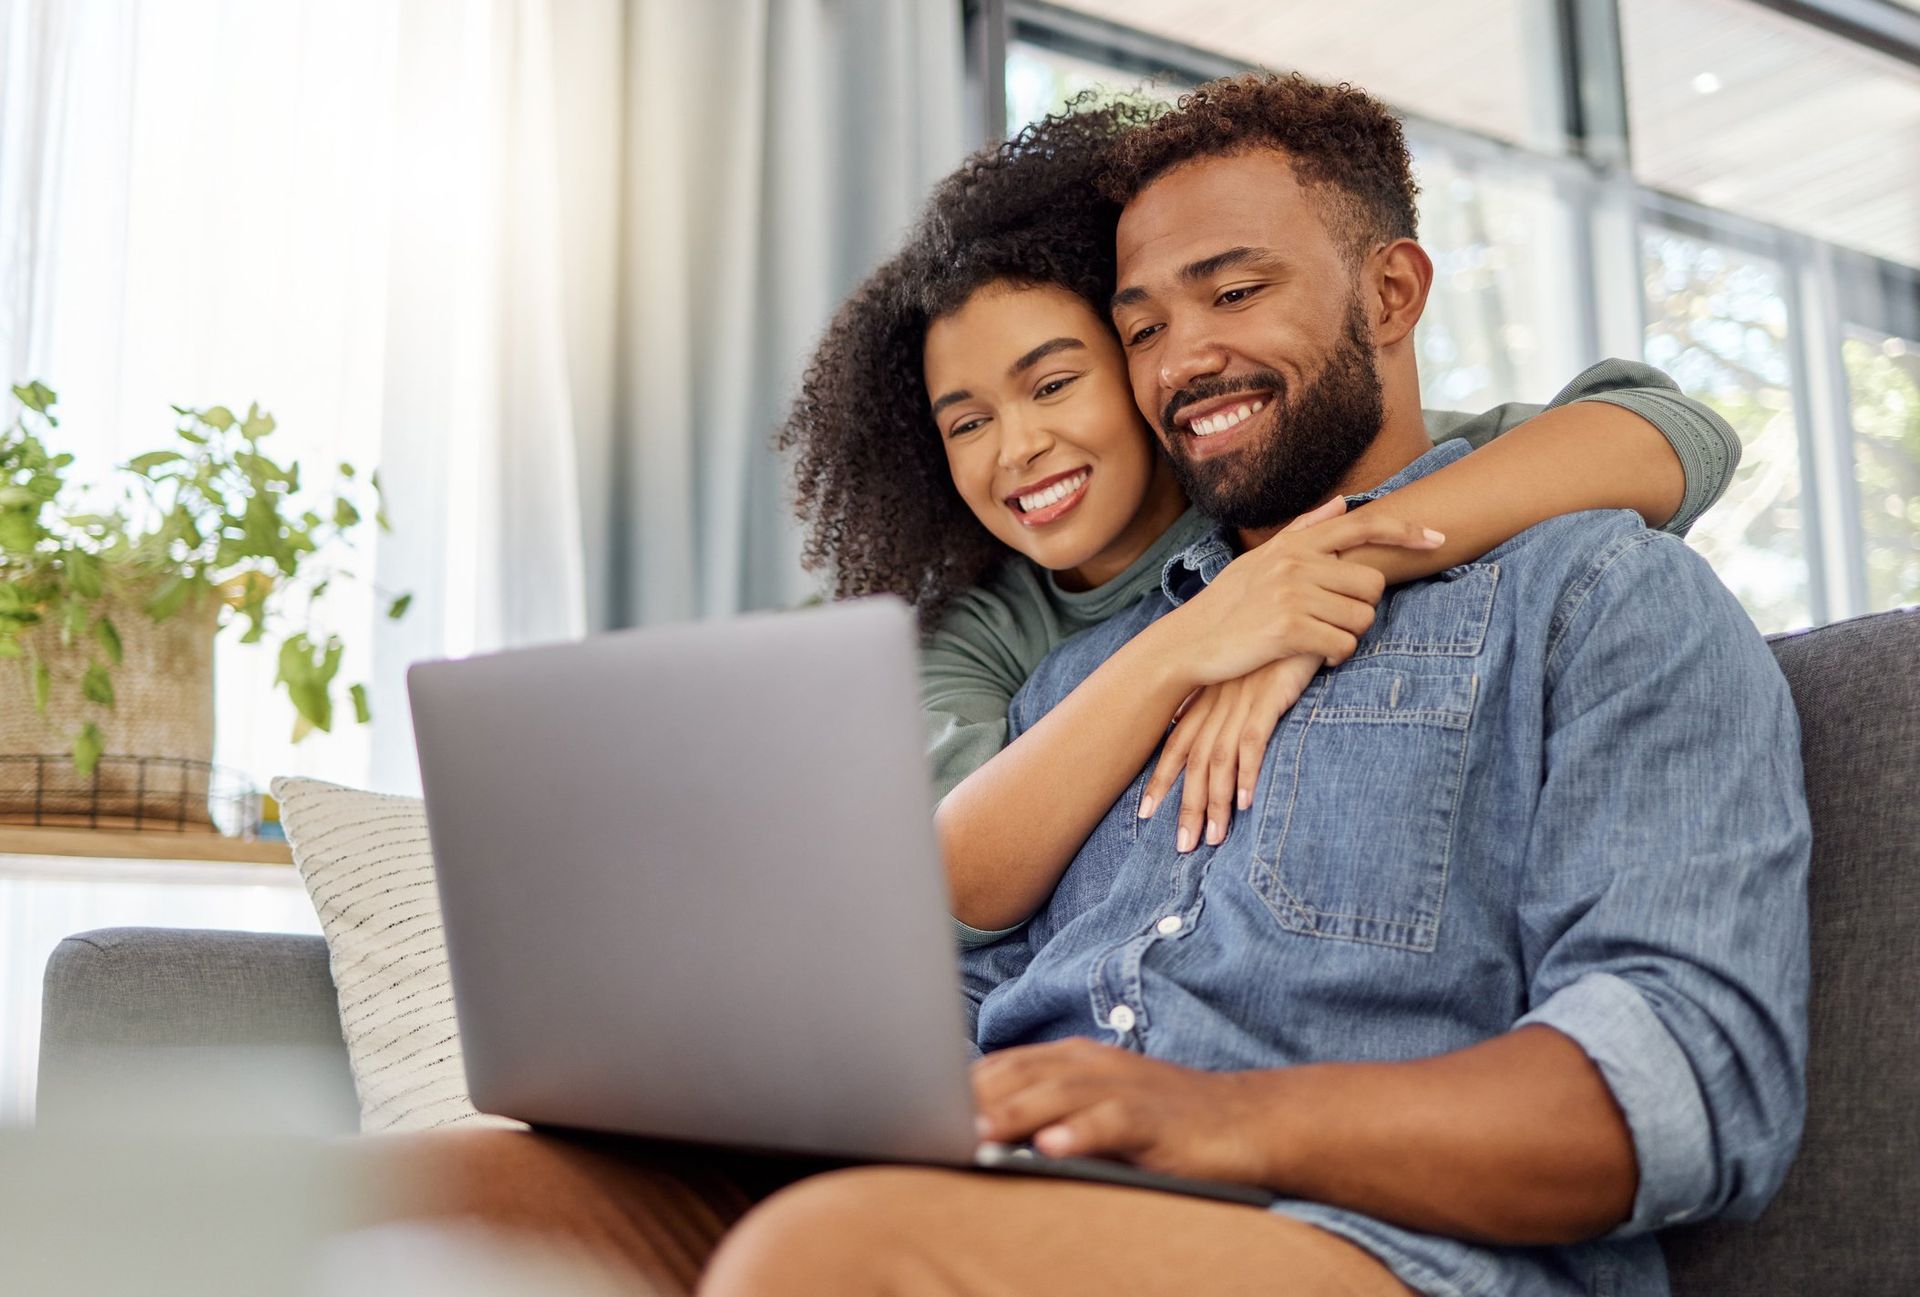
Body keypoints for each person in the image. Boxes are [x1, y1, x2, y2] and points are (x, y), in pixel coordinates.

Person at [372, 80, 1804, 1297]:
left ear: (1391, 293)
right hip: (1009, 1182)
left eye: (1232, 293)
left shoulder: (1597, 597)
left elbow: (1696, 1084)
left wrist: (1216, 1119)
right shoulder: (1070, 682)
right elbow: (938, 1000)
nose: (1186, 359)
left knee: (834, 1257)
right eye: (1143, 327)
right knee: (414, 1204)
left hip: (1373, 1242)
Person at [779, 101, 1743, 949]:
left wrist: (1329, 559)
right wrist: (1206, 631)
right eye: (968, 422)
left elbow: (1666, 434)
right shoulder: (985, 630)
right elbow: (953, 884)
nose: (1018, 445)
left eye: (1057, 383)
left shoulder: (1274, 474)